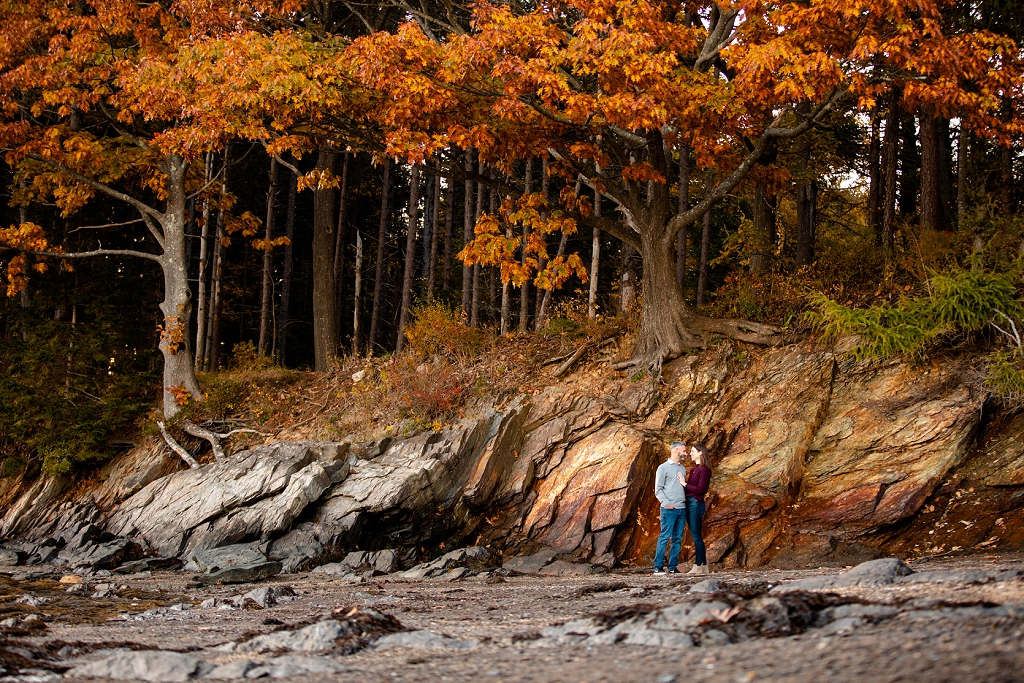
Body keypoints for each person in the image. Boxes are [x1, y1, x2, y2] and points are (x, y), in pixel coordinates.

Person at [653, 441, 688, 575]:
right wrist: (667, 503)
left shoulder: (682, 469)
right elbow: (658, 489)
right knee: (664, 537)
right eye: (683, 451)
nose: (685, 453)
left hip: (682, 508)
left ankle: (673, 567)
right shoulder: (663, 468)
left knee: (677, 538)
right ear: (676, 450)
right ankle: (658, 567)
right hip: (668, 509)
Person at [677, 442, 711, 575]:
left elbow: (701, 489)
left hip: (696, 503)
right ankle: (702, 567)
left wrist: (684, 483)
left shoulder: (704, 469)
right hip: (690, 502)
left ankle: (699, 565)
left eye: (693, 451)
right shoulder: (694, 469)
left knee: (696, 535)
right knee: (696, 535)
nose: (690, 453)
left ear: (700, 453)